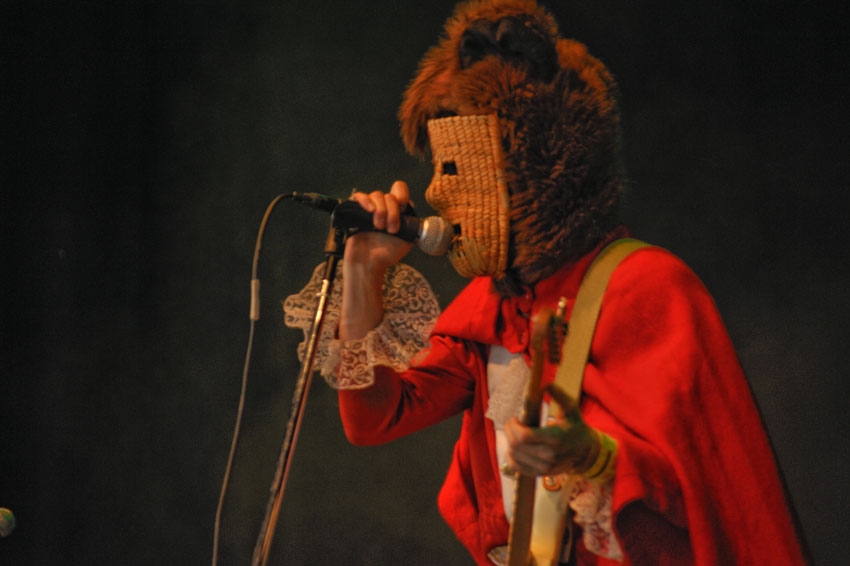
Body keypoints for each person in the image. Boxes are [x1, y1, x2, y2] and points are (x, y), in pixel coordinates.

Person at [284, 1, 808, 564]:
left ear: (530, 169)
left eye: (454, 169)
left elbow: (711, 490)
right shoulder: (490, 311)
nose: (435, 193)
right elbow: (375, 418)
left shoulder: (649, 290)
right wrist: (364, 270)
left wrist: (598, 458)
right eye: (435, 168)